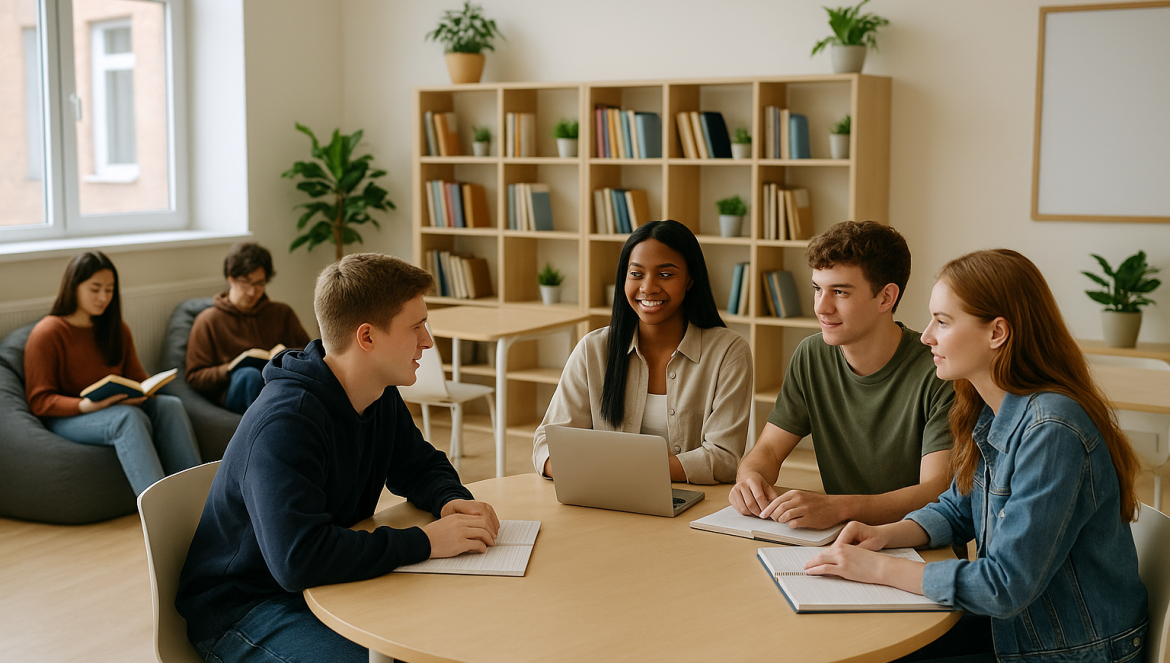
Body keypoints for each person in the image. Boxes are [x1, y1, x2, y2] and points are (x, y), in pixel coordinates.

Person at [804, 249, 1148, 663]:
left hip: (1070, 650)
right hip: (1021, 628)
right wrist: (886, 534)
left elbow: (1003, 585)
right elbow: (959, 505)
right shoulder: (994, 406)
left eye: (943, 322)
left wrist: (879, 569)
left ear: (997, 333)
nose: (926, 335)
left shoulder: (1052, 430)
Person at [176, 253, 500, 663]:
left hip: (328, 586)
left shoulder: (377, 393)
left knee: (456, 635)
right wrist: (423, 541)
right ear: (367, 337)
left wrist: (450, 499)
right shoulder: (286, 424)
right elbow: (299, 559)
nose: (428, 341)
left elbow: (418, 464)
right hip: (246, 608)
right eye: (416, 327)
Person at [730, 220, 955, 529]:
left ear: (886, 298)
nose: (822, 307)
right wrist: (750, 478)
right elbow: (768, 450)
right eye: (817, 289)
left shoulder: (940, 370)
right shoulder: (811, 355)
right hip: (839, 538)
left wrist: (838, 507)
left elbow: (936, 493)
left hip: (915, 543)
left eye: (840, 292)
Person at [532, 219, 752, 484]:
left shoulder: (729, 352)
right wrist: (594, 472)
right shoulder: (593, 349)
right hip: (605, 496)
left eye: (665, 274)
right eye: (636, 274)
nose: (648, 287)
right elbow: (547, 442)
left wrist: (621, 470)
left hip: (690, 501)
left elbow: (724, 459)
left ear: (690, 280)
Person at [24, 251, 202, 495]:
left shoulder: (116, 329)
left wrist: (144, 391)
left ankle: (200, 500)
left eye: (109, 289)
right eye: (95, 289)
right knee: (129, 418)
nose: (103, 297)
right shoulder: (47, 333)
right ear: (74, 287)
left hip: (115, 406)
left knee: (170, 405)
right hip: (70, 416)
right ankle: (158, 512)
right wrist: (85, 406)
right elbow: (39, 400)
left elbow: (138, 378)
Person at [185, 242, 312, 414]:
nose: (253, 292)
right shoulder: (208, 320)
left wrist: (285, 354)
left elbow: (309, 355)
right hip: (236, 390)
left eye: (260, 283)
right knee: (249, 376)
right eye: (246, 283)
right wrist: (230, 368)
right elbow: (195, 377)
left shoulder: (282, 313)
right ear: (231, 278)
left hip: (277, 384)